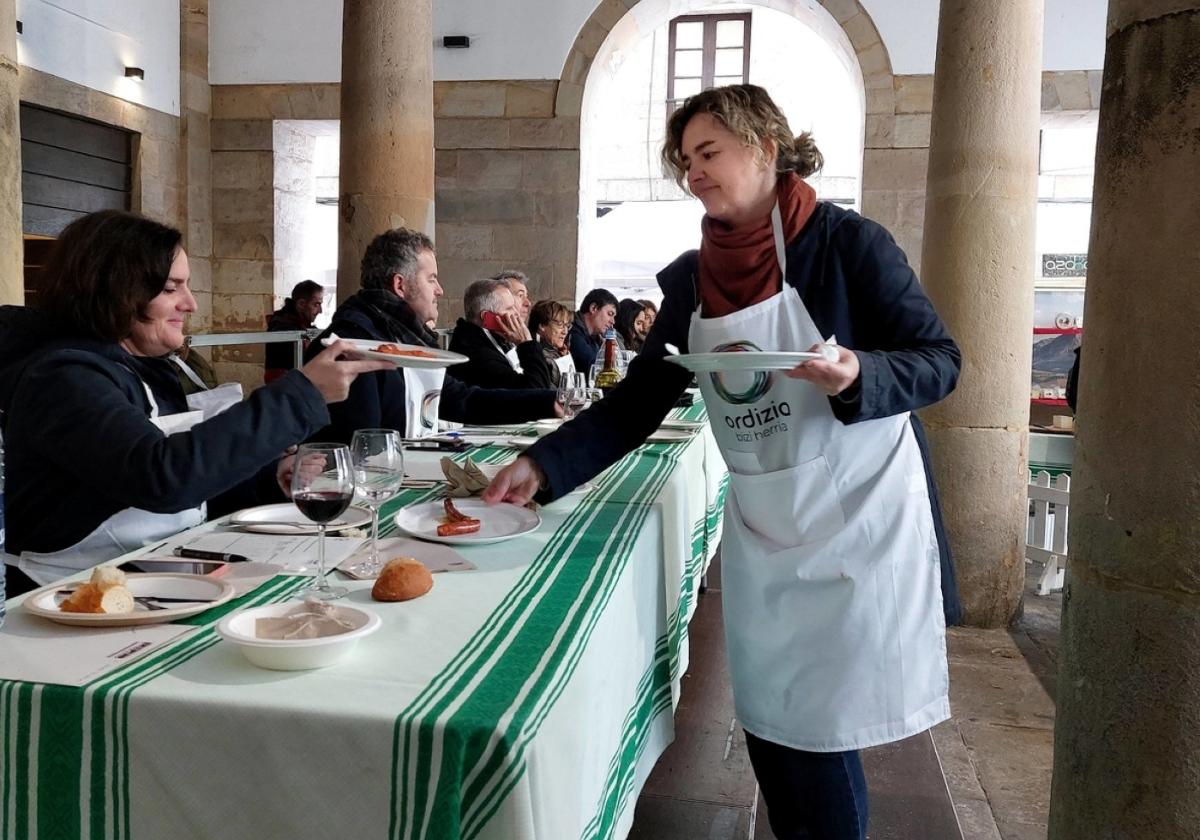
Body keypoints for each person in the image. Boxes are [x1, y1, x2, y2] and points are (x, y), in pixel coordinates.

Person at [483, 84, 962, 840]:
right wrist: (541, 467)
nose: (694, 172)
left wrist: (859, 374)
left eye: (708, 152)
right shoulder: (689, 279)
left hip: (859, 519)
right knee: (775, 726)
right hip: (766, 528)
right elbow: (639, 402)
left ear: (766, 146)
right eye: (684, 161)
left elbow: (939, 361)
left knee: (819, 735)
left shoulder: (848, 245)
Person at [0, 210, 388, 592]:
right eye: (171, 289)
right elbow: (162, 477)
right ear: (116, 290)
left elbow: (187, 489)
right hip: (67, 597)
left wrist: (265, 478)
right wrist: (302, 394)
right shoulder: (63, 377)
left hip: (152, 575)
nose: (191, 304)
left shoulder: (147, 367)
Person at [307, 228, 559, 442]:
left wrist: (549, 401)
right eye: (431, 279)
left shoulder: (403, 336)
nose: (439, 290)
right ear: (400, 285)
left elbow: (463, 400)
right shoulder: (352, 344)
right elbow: (360, 445)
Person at [448, 279, 556, 390]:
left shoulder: (497, 339)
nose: (516, 313)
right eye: (509, 308)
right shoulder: (477, 354)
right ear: (487, 317)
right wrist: (527, 344)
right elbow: (536, 393)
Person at [265, 280, 325, 384]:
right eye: (316, 304)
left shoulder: (294, 324)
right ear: (301, 304)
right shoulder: (282, 326)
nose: (320, 311)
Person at [568, 288, 618, 374]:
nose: (613, 321)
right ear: (593, 308)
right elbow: (595, 368)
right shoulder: (572, 331)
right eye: (610, 314)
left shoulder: (595, 337)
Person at [528, 299, 575, 386]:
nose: (565, 331)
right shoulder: (537, 355)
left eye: (567, 326)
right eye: (560, 325)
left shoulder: (559, 351)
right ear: (542, 325)